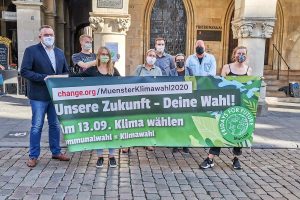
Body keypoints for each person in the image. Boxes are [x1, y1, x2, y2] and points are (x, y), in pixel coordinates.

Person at [20, 25, 70, 167]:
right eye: (46, 34)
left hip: (55, 96)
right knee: (37, 125)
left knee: (55, 124)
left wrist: (64, 77)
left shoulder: (59, 52)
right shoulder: (31, 51)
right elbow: (24, 71)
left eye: (51, 34)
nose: (49, 37)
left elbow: (66, 71)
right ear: (40, 37)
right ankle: (33, 155)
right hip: (38, 96)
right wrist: (44, 77)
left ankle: (56, 151)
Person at [200, 46, 252, 170]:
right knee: (220, 131)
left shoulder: (248, 70)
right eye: (239, 53)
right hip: (226, 105)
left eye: (243, 53)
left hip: (240, 107)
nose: (241, 55)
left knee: (239, 132)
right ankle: (210, 158)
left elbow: (249, 87)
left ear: (246, 55)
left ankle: (236, 158)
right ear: (234, 54)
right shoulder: (227, 68)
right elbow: (221, 85)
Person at [70, 46, 120, 168]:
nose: (104, 56)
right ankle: (100, 156)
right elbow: (76, 78)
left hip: (111, 107)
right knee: (98, 132)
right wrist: (58, 77)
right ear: (98, 56)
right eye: (102, 54)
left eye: (106, 54)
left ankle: (112, 156)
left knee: (111, 131)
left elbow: (123, 85)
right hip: (96, 107)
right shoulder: (92, 70)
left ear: (109, 57)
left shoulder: (114, 71)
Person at [122, 49, 162, 153]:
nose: (152, 57)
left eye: (154, 56)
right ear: (146, 56)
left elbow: (161, 84)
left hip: (151, 100)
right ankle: (127, 144)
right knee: (133, 121)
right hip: (138, 99)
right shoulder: (139, 68)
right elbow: (132, 81)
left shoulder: (158, 70)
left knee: (149, 122)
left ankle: (148, 143)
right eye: (150, 55)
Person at [170, 53, 193, 154]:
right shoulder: (171, 72)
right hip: (175, 100)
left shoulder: (189, 71)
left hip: (187, 100)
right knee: (176, 122)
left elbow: (193, 83)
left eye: (182, 60)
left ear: (185, 60)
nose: (180, 62)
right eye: (178, 60)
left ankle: (185, 144)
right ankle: (175, 144)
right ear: (175, 62)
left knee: (186, 122)